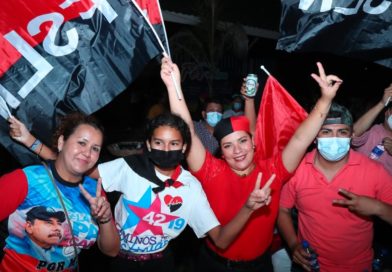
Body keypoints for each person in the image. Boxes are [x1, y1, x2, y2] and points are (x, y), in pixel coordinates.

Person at [9, 112, 274, 272]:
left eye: (174, 144)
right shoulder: (128, 167)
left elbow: (222, 239)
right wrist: (33, 143)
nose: (166, 149)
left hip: (162, 264)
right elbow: (75, 166)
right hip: (119, 262)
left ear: (184, 148)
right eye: (159, 142)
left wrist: (249, 207)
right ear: (148, 144)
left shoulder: (192, 188)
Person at [161, 56, 341, 271]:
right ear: (221, 151)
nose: (237, 151)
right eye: (228, 146)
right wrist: (174, 87)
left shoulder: (274, 170)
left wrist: (325, 100)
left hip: (259, 265)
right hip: (214, 265)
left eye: (243, 141)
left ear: (254, 143)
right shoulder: (211, 170)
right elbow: (187, 130)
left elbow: (300, 139)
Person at [278, 103, 392, 272]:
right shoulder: (297, 168)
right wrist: (293, 244)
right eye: (326, 132)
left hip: (357, 266)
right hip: (310, 264)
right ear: (315, 136)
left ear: (352, 135)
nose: (334, 139)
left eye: (342, 132)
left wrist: (377, 207)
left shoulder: (374, 171)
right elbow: (283, 210)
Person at [1, 112, 120, 271]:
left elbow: (111, 251)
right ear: (61, 142)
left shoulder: (95, 192)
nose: (87, 153)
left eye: (95, 148)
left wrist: (105, 219)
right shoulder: (26, 180)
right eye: (81, 143)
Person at [351, 83, 392, 175]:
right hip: (357, 181)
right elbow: (353, 133)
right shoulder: (372, 131)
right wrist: (382, 103)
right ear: (387, 113)